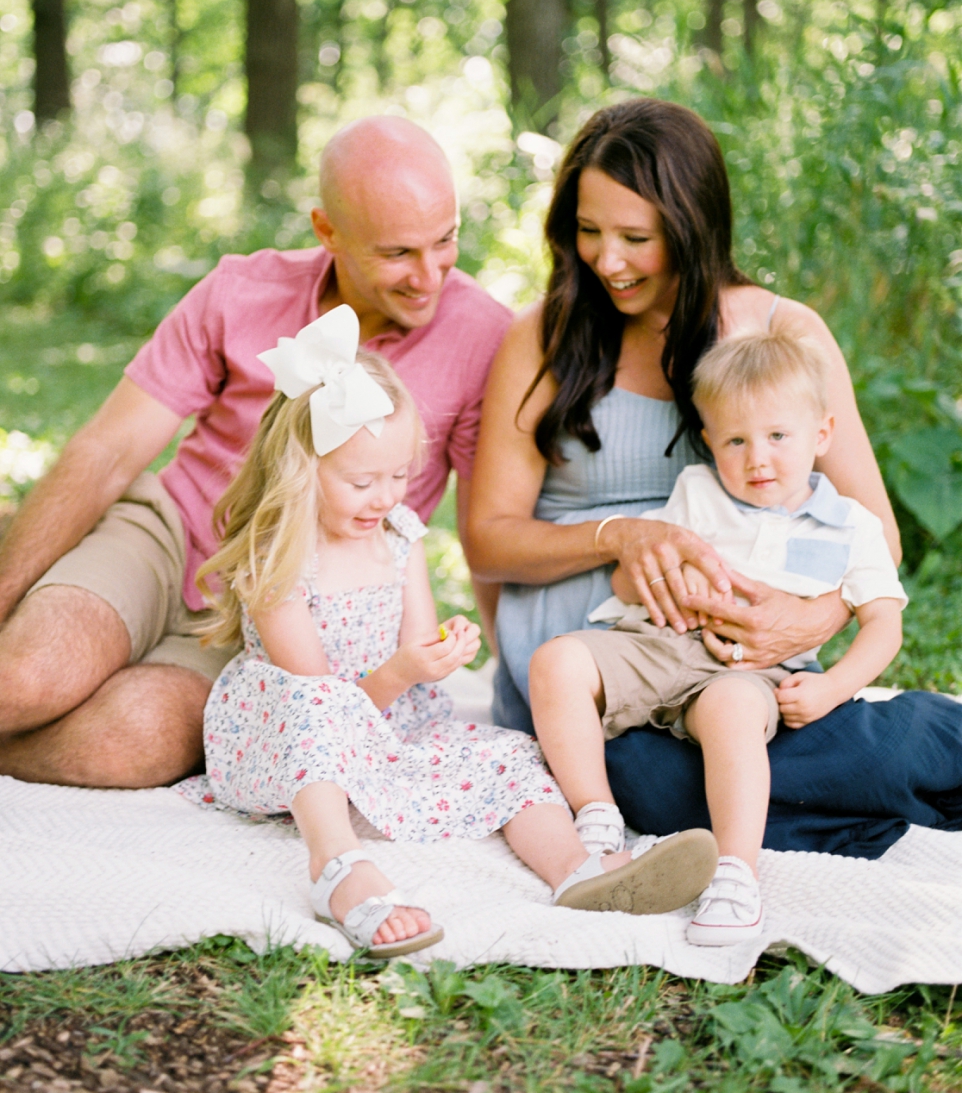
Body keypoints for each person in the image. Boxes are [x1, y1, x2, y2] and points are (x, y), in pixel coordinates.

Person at [467, 96, 961, 859]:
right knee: (660, 787)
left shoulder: (778, 334)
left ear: (692, 228)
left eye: (636, 237)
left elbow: (875, 530)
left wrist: (816, 617)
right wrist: (616, 537)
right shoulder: (544, 335)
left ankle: (903, 752)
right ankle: (893, 769)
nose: (608, 260)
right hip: (588, 671)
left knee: (725, 751)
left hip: (727, 672)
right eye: (588, 232)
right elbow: (488, 541)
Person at [0, 117, 508, 790]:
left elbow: (484, 529)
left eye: (445, 240)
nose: (430, 275)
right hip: (171, 535)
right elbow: (107, 450)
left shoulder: (485, 335)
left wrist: (513, 677)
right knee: (26, 677)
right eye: (397, 254)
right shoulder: (241, 290)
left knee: (131, 739)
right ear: (327, 230)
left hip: (281, 617)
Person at [197, 307, 719, 957]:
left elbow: (414, 650)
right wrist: (404, 671)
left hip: (393, 726)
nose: (385, 497)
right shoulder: (277, 559)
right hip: (294, 741)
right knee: (317, 708)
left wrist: (438, 653)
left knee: (511, 756)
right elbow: (320, 697)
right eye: (362, 481)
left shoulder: (399, 537)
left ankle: (577, 869)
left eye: (398, 477)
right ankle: (337, 867)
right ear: (301, 470)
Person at [529, 329, 906, 945]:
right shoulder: (697, 494)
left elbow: (884, 624)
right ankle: (594, 814)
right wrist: (658, 568)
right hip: (657, 641)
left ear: (823, 434)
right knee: (557, 662)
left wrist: (834, 686)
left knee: (731, 708)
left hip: (750, 668)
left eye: (778, 436)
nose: (757, 458)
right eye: (736, 440)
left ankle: (736, 875)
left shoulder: (852, 526)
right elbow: (631, 583)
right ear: (709, 443)